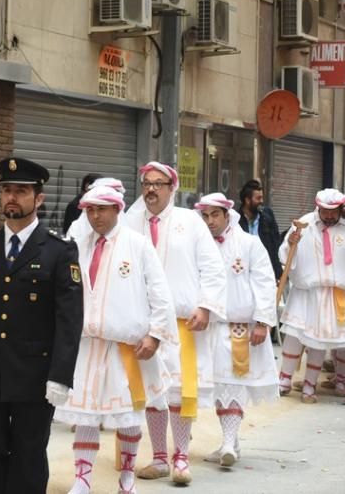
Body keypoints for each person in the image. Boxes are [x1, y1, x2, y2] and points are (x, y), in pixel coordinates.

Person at [0, 157, 84, 494]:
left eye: (21, 191)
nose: (12, 197)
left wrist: (61, 375)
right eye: (7, 190)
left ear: (38, 199)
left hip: (34, 372)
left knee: (28, 453)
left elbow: (69, 320)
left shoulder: (60, 251)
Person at [56, 185, 175, 494]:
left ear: (117, 210)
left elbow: (160, 293)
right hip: (85, 344)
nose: (95, 216)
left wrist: (155, 335)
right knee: (85, 412)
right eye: (90, 210)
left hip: (128, 346)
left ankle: (127, 477)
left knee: (128, 414)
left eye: (102, 209)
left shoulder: (137, 245)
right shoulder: (76, 245)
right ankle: (82, 478)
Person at [124, 161, 226, 485]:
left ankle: (181, 456)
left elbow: (212, 267)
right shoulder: (130, 221)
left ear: (172, 188)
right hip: (143, 323)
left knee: (181, 391)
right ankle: (158, 458)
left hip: (182, 322)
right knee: (153, 391)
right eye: (146, 183)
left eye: (158, 183)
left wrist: (206, 305)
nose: (151, 189)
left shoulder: (190, 222)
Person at [195, 193, 278, 468]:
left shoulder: (250, 244)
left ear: (227, 214)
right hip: (211, 326)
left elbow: (265, 282)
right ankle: (231, 442)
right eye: (204, 216)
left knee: (233, 383)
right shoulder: (198, 245)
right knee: (220, 385)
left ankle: (229, 442)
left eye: (214, 215)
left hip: (242, 326)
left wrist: (263, 321)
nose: (209, 222)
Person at [278, 189, 345, 401]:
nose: (329, 216)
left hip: (341, 292)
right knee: (295, 335)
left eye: (333, 212)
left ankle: (338, 380)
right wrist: (291, 243)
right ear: (317, 207)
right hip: (307, 291)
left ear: (341, 208)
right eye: (324, 211)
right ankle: (284, 378)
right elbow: (285, 255)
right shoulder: (304, 223)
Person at [236, 180, 284, 281]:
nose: (261, 201)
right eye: (258, 198)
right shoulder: (236, 221)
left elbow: (276, 246)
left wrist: (279, 274)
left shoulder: (267, 216)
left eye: (262, 197)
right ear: (247, 200)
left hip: (266, 272)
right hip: (245, 274)